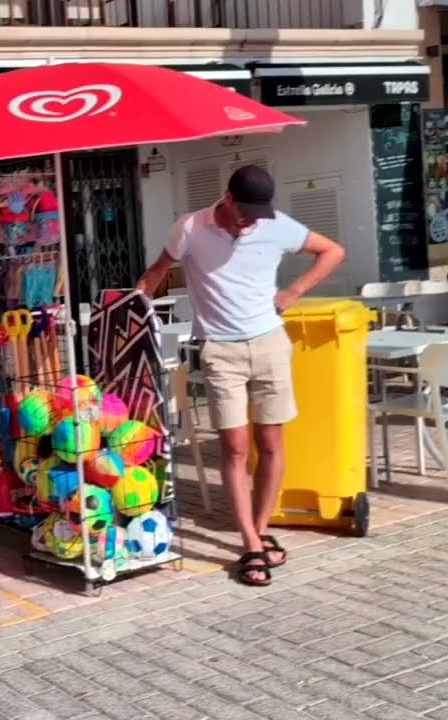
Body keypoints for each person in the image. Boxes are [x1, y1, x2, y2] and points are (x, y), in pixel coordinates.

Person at [136, 166, 345, 587]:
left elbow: (333, 251)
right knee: (233, 448)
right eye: (245, 211)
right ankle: (250, 541)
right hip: (221, 350)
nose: (251, 221)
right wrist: (132, 306)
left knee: (270, 444)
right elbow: (159, 269)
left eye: (258, 213)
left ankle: (260, 529)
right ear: (227, 198)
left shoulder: (276, 225)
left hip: (269, 343)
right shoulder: (191, 228)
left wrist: (292, 292)